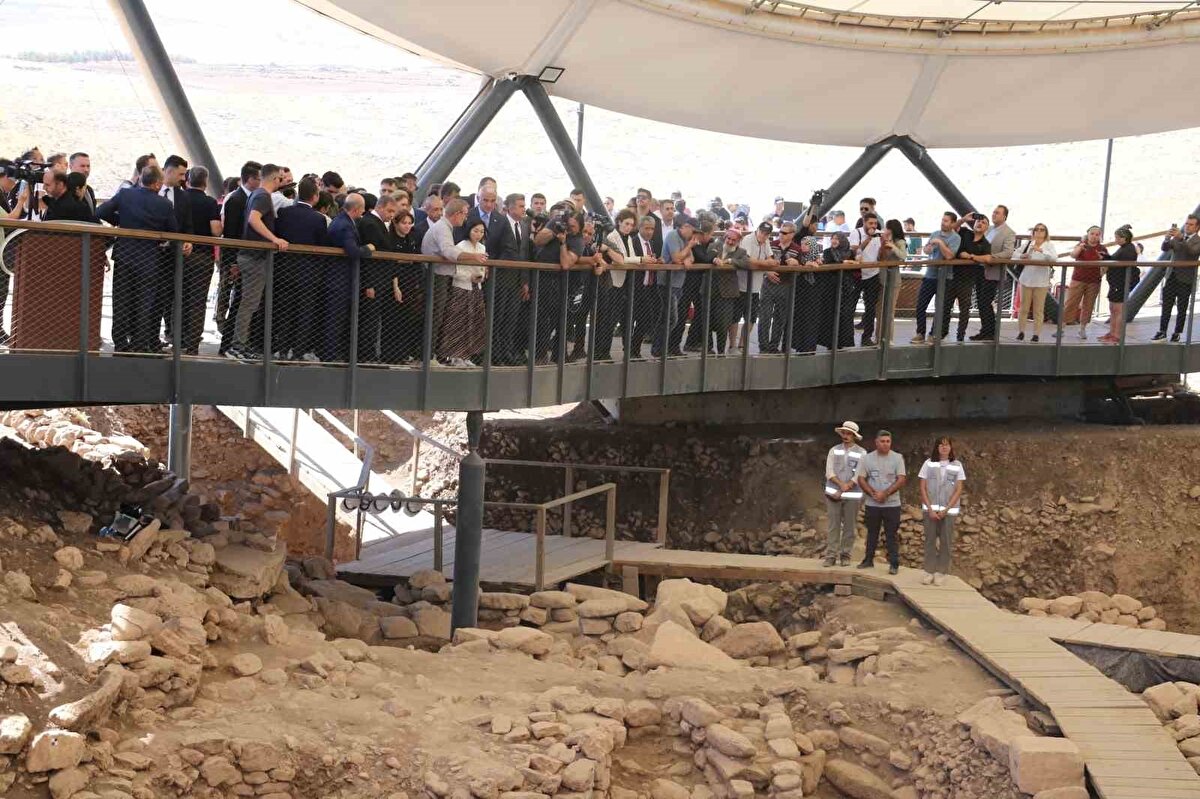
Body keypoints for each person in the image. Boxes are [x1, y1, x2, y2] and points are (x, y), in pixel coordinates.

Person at [95, 165, 178, 353]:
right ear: (157, 183)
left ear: (141, 179)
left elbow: (100, 212)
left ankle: (120, 343)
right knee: (144, 303)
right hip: (150, 258)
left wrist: (122, 222)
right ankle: (140, 343)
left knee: (121, 300)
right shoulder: (165, 204)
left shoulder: (125, 195)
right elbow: (173, 231)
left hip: (124, 256)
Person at [227, 164, 287, 361]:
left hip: (250, 256)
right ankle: (237, 345)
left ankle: (239, 344)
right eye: (280, 179)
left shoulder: (255, 194)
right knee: (249, 304)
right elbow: (254, 219)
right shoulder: (263, 196)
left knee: (249, 303)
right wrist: (274, 239)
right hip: (254, 258)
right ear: (275, 179)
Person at [273, 175, 328, 361]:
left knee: (285, 311)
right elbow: (322, 246)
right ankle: (297, 351)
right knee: (305, 313)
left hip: (285, 270)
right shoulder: (318, 219)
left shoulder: (284, 213)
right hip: (308, 274)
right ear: (315, 196)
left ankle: (281, 348)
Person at [422, 198, 483, 361]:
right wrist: (474, 256)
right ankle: (427, 357)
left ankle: (430, 355)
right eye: (465, 214)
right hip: (436, 276)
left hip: (439, 275)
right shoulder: (443, 228)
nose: (465, 218)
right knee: (434, 317)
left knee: (437, 316)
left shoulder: (444, 227)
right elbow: (448, 251)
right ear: (457, 214)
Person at [321, 193, 376, 361]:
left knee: (337, 319)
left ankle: (332, 354)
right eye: (362, 209)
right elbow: (352, 251)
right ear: (356, 209)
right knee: (335, 319)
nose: (364, 212)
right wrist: (368, 249)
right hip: (339, 280)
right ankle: (330, 355)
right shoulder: (345, 225)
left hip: (340, 279)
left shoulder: (342, 221)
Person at [217, 161, 261, 354]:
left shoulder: (248, 198)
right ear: (250, 179)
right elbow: (231, 233)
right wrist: (232, 262)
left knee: (242, 301)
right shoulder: (236, 200)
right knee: (238, 302)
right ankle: (228, 344)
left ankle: (233, 342)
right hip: (239, 259)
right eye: (259, 178)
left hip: (245, 258)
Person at [178, 166, 221, 355]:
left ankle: (177, 338)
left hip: (180, 254)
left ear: (188, 180)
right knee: (197, 300)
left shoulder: (180, 198)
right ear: (205, 182)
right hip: (203, 256)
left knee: (178, 297)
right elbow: (216, 231)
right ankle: (192, 344)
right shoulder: (210, 202)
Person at [855, 429, 906, 575]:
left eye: (888, 441)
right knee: (872, 533)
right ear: (876, 442)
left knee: (891, 534)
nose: (885, 444)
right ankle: (868, 560)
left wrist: (885, 494)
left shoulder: (897, 458)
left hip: (892, 504)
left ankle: (894, 564)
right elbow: (861, 478)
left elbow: (901, 479)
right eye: (882, 441)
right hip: (872, 504)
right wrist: (873, 494)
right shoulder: (867, 459)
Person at [357, 192, 400, 363]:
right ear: (380, 207)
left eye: (393, 212)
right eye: (389, 211)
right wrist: (369, 284)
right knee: (369, 319)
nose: (392, 215)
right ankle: (365, 355)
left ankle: (369, 353)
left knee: (373, 319)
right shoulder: (370, 223)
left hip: (380, 279)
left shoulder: (378, 223)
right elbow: (370, 257)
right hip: (373, 280)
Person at [919, 436, 965, 586]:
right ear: (937, 448)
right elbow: (922, 488)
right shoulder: (928, 463)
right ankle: (929, 571)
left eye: (947, 445)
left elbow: (958, 489)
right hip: (930, 511)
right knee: (930, 541)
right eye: (941, 445)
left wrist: (947, 509)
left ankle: (941, 572)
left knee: (945, 542)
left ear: (950, 447)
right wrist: (930, 509)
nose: (944, 447)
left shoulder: (957, 465)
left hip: (949, 512)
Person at [911, 212, 960, 344]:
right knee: (920, 305)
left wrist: (940, 242)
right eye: (942, 220)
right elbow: (927, 251)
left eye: (946, 221)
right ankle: (920, 333)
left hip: (945, 278)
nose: (943, 223)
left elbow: (949, 255)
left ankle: (933, 334)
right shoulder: (934, 233)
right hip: (930, 275)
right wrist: (929, 247)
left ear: (953, 223)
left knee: (940, 308)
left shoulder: (956, 238)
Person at [383, 209, 425, 364]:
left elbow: (417, 260)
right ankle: (390, 355)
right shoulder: (390, 239)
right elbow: (392, 264)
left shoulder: (411, 239)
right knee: (393, 319)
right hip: (394, 282)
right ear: (396, 223)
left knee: (407, 320)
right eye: (404, 223)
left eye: (409, 223)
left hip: (410, 282)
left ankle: (403, 354)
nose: (407, 226)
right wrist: (396, 287)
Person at [969, 205, 1016, 342]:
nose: (994, 214)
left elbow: (1008, 252)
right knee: (980, 301)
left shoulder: (1009, 232)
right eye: (994, 212)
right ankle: (985, 331)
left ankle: (990, 332)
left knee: (985, 301)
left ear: (1004, 216)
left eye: (997, 213)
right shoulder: (988, 229)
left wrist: (990, 257)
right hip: (980, 270)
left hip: (993, 271)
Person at [823, 421, 865, 568]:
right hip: (833, 494)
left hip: (852, 496)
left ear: (854, 436)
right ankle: (831, 556)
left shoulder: (862, 453)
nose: (845, 436)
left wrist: (846, 487)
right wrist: (841, 485)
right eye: (844, 433)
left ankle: (845, 555)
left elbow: (859, 474)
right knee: (833, 526)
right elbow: (829, 472)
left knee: (849, 526)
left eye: (849, 434)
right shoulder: (834, 450)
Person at [943, 214, 990, 342]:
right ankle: (942, 332)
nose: (980, 223)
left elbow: (987, 258)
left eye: (984, 223)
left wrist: (971, 256)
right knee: (946, 306)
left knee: (964, 309)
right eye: (978, 221)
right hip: (952, 275)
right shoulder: (965, 232)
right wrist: (963, 219)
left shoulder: (985, 243)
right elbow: (952, 228)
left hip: (967, 279)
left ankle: (960, 335)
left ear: (987, 228)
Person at [1154, 215, 1200, 342]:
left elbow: (1192, 252)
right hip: (1172, 277)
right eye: (1187, 223)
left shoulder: (1197, 241)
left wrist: (1182, 239)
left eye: (1191, 224)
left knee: (1182, 307)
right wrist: (1167, 238)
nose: (1187, 226)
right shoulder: (1178, 237)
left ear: (1197, 227)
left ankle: (1177, 332)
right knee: (1166, 305)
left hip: (1185, 279)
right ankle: (1162, 331)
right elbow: (1164, 248)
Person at [760, 221, 803, 354]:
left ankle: (773, 346)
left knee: (780, 317)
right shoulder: (770, 244)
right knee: (765, 316)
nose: (781, 235)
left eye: (784, 233)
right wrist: (767, 272)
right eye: (780, 232)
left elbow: (802, 268)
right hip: (768, 284)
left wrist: (797, 264)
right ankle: (763, 346)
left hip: (786, 285)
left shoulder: (797, 249)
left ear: (792, 234)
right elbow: (760, 261)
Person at [708, 227, 750, 355]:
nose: (730, 242)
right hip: (710, 289)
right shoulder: (714, 246)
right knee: (707, 321)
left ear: (738, 241)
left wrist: (730, 261)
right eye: (728, 238)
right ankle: (708, 349)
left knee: (723, 324)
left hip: (727, 293)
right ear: (725, 237)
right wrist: (713, 260)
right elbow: (706, 256)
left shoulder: (741, 252)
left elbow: (746, 263)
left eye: (734, 240)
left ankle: (721, 351)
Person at [1012, 223, 1056, 342]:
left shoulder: (1049, 245)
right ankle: (1021, 332)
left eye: (1042, 230)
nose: (1039, 231)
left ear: (1046, 233)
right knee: (1023, 308)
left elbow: (1053, 258)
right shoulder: (1028, 244)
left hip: (1041, 281)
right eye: (1037, 229)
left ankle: (1036, 334)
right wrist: (1022, 256)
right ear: (1033, 232)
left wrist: (1041, 250)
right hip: (1026, 279)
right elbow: (1014, 254)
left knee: (1038, 309)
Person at [737, 221, 777, 354]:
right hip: (741, 285)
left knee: (751, 318)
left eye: (766, 234)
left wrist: (765, 265)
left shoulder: (766, 242)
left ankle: (742, 344)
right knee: (735, 317)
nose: (763, 235)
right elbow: (748, 260)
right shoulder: (748, 239)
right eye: (762, 232)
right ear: (757, 230)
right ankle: (732, 344)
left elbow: (771, 259)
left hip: (755, 287)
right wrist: (766, 265)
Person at [1099, 224, 1140, 344]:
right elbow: (1116, 260)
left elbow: (1120, 263)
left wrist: (1106, 259)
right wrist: (1106, 257)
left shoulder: (1128, 249)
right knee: (1113, 308)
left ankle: (1116, 335)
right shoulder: (1124, 248)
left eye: (1117, 237)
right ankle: (1112, 332)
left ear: (1124, 238)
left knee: (1118, 309)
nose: (1116, 240)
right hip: (1116, 282)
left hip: (1121, 283)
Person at [1064, 226, 1108, 339]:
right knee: (1071, 302)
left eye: (1097, 234)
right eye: (1092, 234)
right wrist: (1080, 247)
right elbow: (1073, 255)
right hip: (1078, 279)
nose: (1094, 236)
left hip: (1094, 281)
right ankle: (1062, 327)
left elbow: (1107, 262)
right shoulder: (1081, 245)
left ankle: (1082, 328)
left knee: (1088, 305)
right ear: (1088, 234)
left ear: (1100, 236)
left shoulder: (1102, 248)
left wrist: (1102, 271)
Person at [849, 214, 883, 346]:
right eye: (870, 223)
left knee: (870, 307)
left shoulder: (879, 234)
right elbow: (854, 252)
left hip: (873, 274)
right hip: (857, 275)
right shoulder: (856, 233)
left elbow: (881, 253)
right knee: (850, 305)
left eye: (875, 223)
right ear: (864, 222)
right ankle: (847, 337)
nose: (873, 226)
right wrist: (868, 239)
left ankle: (867, 337)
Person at [819, 231, 857, 351]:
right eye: (832, 238)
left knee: (845, 314)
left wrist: (849, 262)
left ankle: (843, 341)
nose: (834, 241)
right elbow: (831, 265)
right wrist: (843, 263)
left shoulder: (850, 253)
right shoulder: (827, 252)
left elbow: (855, 267)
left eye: (837, 239)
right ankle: (830, 342)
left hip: (846, 287)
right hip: (831, 288)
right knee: (830, 314)